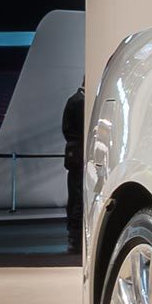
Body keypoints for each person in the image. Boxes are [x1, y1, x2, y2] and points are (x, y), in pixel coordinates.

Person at [61, 86, 85, 255]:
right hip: (79, 154)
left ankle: (74, 238)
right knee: (78, 196)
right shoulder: (81, 101)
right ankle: (75, 239)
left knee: (75, 195)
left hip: (74, 154)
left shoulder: (74, 99)